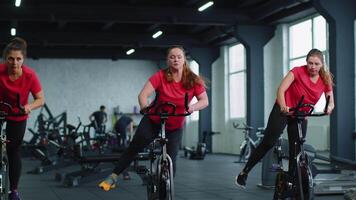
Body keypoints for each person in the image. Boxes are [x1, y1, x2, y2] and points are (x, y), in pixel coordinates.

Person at [98, 45, 209, 191]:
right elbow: (143, 95)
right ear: (168, 60)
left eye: (179, 57)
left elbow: (204, 101)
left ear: (184, 60)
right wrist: (145, 107)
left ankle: (166, 190)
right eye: (172, 57)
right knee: (135, 146)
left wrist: (193, 107)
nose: (175, 59)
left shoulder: (193, 80)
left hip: (175, 125)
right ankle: (113, 176)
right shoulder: (160, 76)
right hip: (154, 120)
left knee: (171, 159)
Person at [235, 48, 335, 188]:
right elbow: (281, 89)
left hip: (300, 114)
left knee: (297, 151)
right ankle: (244, 172)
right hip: (283, 110)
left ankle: (293, 182)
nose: (312, 67)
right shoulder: (297, 71)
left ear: (322, 64)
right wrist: (283, 106)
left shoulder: (325, 79)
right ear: (306, 62)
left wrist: (329, 107)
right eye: (310, 63)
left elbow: (330, 100)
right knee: (268, 142)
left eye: (316, 64)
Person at [0, 37, 45, 200]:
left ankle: (13, 191)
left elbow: (41, 99)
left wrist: (29, 107)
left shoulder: (29, 75)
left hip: (18, 114)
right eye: (10, 58)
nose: (14, 62)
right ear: (6, 59)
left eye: (18, 59)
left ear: (23, 59)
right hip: (0, 110)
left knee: (13, 151)